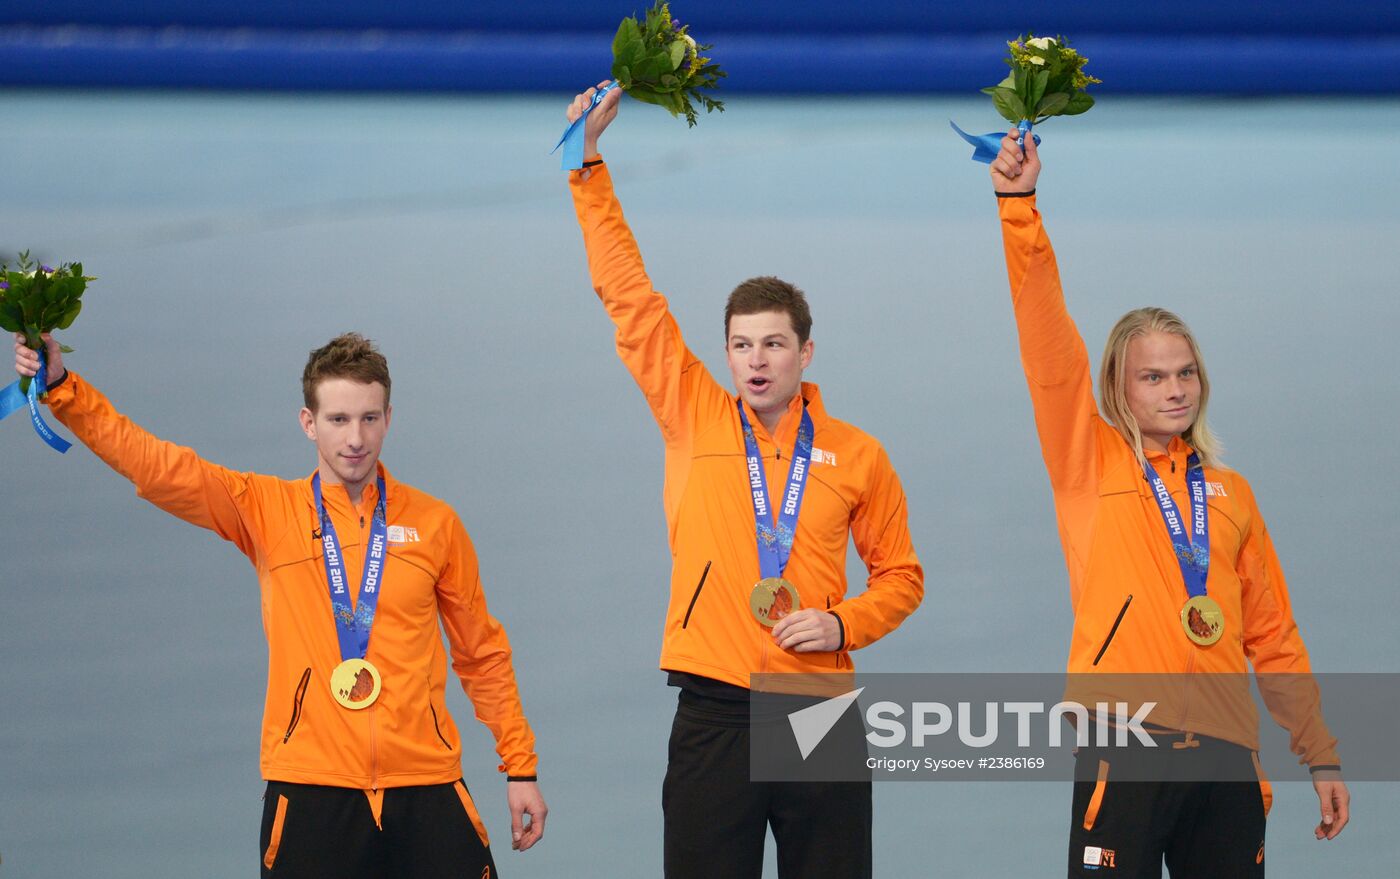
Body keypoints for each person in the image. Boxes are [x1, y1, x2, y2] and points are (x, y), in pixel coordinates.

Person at [14, 331, 546, 878]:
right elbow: (155, 466)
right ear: (308, 423)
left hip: (427, 785)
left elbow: (481, 653)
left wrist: (520, 767)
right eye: (338, 419)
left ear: (390, 417)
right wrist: (62, 388)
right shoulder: (265, 510)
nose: (356, 438)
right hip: (311, 791)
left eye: (369, 418)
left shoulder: (436, 524)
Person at [564, 83, 924, 878]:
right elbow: (630, 299)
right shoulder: (692, 411)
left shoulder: (859, 454)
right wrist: (589, 165)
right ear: (725, 355)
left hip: (819, 713)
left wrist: (843, 625)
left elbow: (902, 576)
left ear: (806, 352)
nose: (756, 360)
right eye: (741, 345)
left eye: (773, 344)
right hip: (715, 707)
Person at [988, 129, 1350, 877]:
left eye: (1185, 372)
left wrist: (1319, 752)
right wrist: (1019, 208)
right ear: (1119, 384)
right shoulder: (1087, 460)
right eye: (1153, 376)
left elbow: (1274, 637)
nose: (1175, 388)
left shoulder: (1230, 493)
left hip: (1225, 760)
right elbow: (1048, 343)